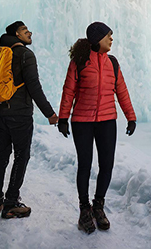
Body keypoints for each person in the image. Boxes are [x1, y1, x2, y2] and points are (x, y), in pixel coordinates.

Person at [57, 22, 137, 233]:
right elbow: (69, 91)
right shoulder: (79, 61)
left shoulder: (113, 63)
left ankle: (98, 206)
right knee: (85, 165)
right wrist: (63, 118)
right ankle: (84, 210)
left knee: (107, 165)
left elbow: (122, 92)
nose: (111, 39)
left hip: (107, 121)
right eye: (108, 35)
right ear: (97, 38)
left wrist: (131, 117)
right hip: (82, 122)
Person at [0, 21, 59, 219]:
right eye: (24, 30)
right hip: (19, 115)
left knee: (1, 157)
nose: (29, 32)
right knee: (21, 156)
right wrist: (50, 114)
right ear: (17, 35)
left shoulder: (0, 54)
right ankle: (11, 202)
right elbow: (34, 87)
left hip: (0, 112)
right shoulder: (25, 55)